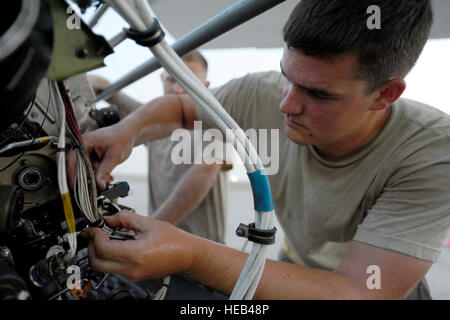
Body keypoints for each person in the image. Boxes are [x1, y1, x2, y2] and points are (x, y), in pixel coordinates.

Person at [71, 0, 450, 299]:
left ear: (385, 95)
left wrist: (191, 253)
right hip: (293, 263)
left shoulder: (432, 152)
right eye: (288, 77)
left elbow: (357, 291)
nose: (287, 105)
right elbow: (183, 109)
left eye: (317, 94)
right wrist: (126, 131)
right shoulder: (263, 92)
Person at [88, 51, 230, 244]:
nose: (177, 89)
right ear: (162, 79)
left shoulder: (214, 124)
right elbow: (104, 86)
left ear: (205, 87)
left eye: (187, 81)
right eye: (171, 79)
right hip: (157, 246)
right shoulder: (151, 123)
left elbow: (205, 172)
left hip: (202, 249)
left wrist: (150, 226)